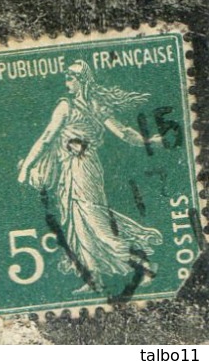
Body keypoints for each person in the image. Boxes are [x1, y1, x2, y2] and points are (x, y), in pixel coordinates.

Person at [17, 60, 164, 287]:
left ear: (81, 80)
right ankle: (93, 277)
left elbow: (47, 138)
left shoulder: (73, 107)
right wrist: (149, 141)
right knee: (78, 223)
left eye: (70, 78)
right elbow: (123, 133)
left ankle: (144, 265)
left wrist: (27, 166)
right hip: (73, 169)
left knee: (95, 223)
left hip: (82, 170)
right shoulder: (85, 106)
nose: (67, 82)